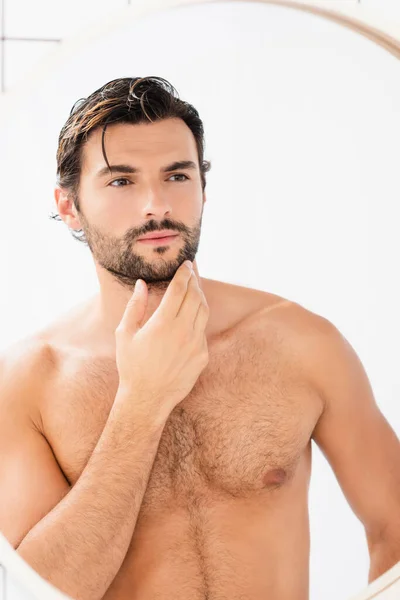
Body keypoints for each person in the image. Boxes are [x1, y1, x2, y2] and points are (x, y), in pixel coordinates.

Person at [0, 76, 399, 600]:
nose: (155, 204)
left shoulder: (301, 342)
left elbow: (392, 525)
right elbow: (41, 590)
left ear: (203, 189)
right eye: (121, 181)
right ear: (70, 205)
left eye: (177, 175)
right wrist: (141, 403)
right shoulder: (29, 382)